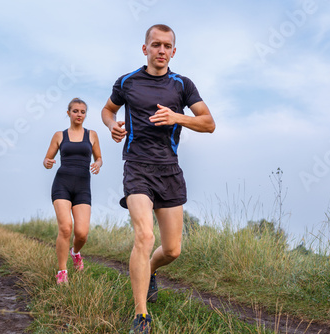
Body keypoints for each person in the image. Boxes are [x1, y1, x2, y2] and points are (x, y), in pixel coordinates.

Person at [101, 24, 215, 333]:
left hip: (169, 170)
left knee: (172, 249)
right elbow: (107, 110)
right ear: (145, 49)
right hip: (137, 166)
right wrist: (112, 125)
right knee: (144, 236)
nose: (161, 50)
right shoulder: (127, 82)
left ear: (173, 52)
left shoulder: (182, 85)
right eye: (155, 45)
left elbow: (209, 123)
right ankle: (141, 315)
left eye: (167, 46)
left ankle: (149, 270)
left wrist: (177, 116)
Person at [44, 98, 103, 284]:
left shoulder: (92, 135)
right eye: (75, 111)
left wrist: (98, 163)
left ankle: (75, 252)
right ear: (68, 113)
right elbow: (47, 160)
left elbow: (99, 157)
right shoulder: (59, 136)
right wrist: (47, 163)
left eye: (83, 111)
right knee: (65, 228)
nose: (79, 114)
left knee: (82, 233)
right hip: (62, 184)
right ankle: (62, 272)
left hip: (83, 187)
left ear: (85, 115)